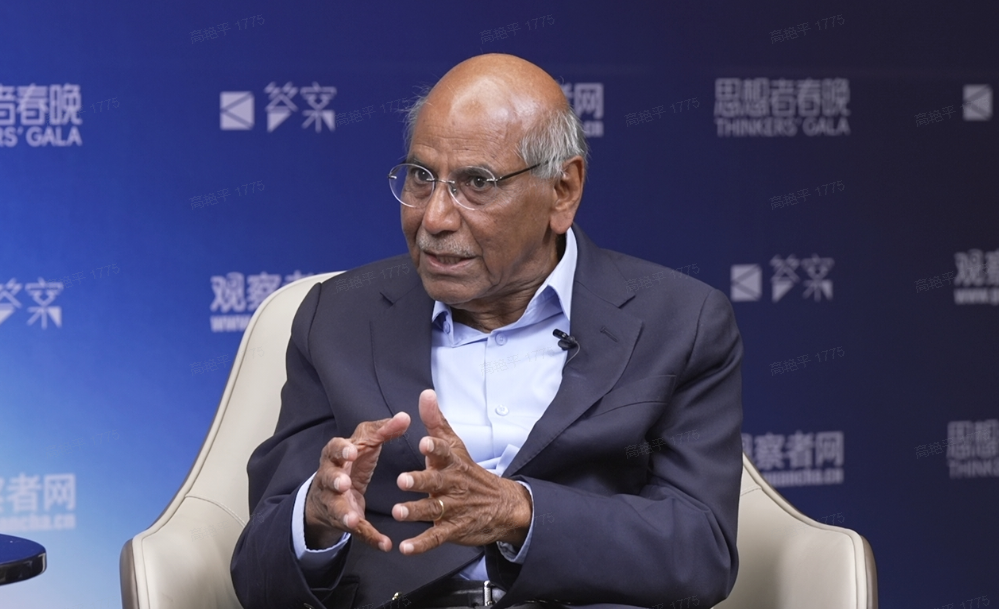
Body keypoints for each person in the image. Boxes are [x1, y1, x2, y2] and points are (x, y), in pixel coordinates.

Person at [231, 53, 744, 609]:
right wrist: (314, 518)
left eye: (477, 183)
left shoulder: (680, 321)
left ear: (563, 190)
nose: (434, 219)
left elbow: (701, 551)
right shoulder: (338, 317)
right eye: (421, 177)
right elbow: (258, 574)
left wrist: (518, 512)